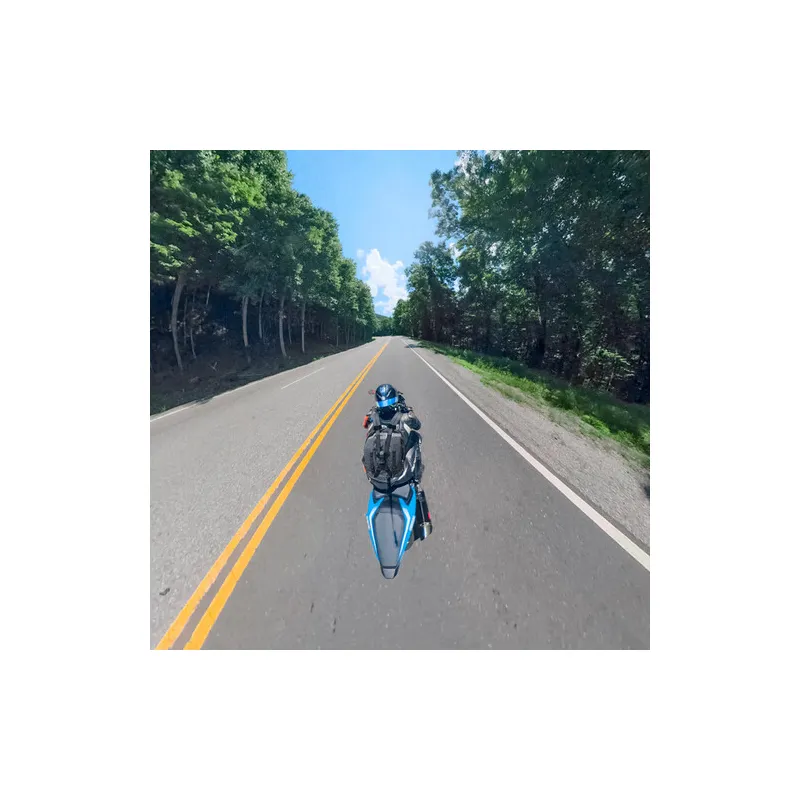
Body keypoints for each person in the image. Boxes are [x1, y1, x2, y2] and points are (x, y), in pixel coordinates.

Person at [362, 383, 423, 485]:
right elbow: (417, 425)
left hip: (375, 477)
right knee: (416, 436)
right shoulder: (406, 417)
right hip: (400, 476)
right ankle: (416, 476)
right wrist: (409, 411)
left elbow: (364, 425)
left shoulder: (372, 417)